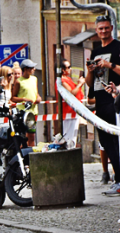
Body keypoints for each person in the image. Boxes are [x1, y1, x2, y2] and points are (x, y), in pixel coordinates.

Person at [87, 14, 120, 190]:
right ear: (96, 30)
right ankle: (118, 178)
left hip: (116, 101)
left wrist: (109, 65)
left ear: (111, 29)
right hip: (100, 102)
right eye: (100, 28)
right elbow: (89, 83)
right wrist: (91, 70)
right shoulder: (95, 51)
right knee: (106, 142)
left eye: (106, 28)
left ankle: (119, 179)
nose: (104, 31)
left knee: (117, 141)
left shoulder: (118, 47)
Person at [11, 59, 41, 147]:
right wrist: (24, 99)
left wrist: (38, 98)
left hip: (33, 112)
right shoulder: (19, 81)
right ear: (25, 69)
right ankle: (21, 155)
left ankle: (30, 154)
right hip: (23, 113)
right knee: (22, 137)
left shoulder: (34, 79)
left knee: (32, 136)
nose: (34, 69)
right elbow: (13, 97)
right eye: (31, 68)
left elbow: (36, 92)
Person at [61, 60, 85, 148]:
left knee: (73, 135)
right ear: (63, 70)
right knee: (69, 135)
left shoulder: (68, 79)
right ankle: (68, 152)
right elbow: (72, 93)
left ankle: (71, 149)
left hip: (74, 110)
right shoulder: (62, 80)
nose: (70, 69)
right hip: (68, 111)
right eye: (68, 67)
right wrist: (80, 84)